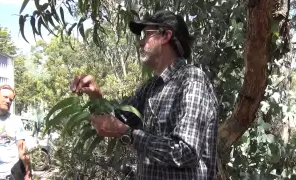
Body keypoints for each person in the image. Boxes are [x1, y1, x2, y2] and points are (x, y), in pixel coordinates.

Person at [71, 10, 218, 180]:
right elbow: (116, 119)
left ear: (165, 36)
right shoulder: (149, 88)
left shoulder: (192, 80)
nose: (140, 42)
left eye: (145, 34)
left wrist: (126, 133)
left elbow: (186, 152)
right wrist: (96, 96)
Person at [0, 85, 32, 180]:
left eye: (11, 99)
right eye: (5, 97)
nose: (8, 101)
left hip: (10, 174)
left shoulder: (15, 121)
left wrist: (28, 173)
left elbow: (22, 150)